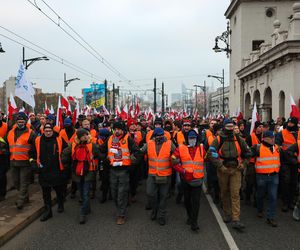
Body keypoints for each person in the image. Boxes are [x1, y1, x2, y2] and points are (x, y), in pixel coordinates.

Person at [207, 118, 251, 230]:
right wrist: (220, 166)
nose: (231, 129)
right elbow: (210, 154)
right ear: (224, 127)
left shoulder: (238, 138)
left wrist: (244, 164)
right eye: (228, 127)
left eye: (232, 126)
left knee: (235, 193)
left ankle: (236, 218)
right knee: (225, 192)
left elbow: (248, 152)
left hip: (236, 169)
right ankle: (227, 213)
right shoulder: (218, 139)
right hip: (223, 170)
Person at [100, 121, 140, 225]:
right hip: (113, 170)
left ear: (122, 130)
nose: (116, 131)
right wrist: (105, 158)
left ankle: (121, 215)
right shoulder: (110, 139)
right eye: (115, 129)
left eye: (118, 129)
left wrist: (131, 165)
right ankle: (120, 208)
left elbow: (137, 152)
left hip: (124, 170)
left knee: (121, 193)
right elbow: (101, 150)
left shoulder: (128, 139)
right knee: (114, 193)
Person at [31, 123, 69, 221]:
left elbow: (67, 150)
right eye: (46, 131)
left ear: (53, 131)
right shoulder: (38, 140)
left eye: (50, 131)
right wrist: (34, 163)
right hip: (43, 171)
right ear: (43, 131)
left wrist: (64, 160)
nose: (48, 133)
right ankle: (48, 211)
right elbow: (32, 153)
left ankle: (60, 203)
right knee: (46, 193)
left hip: (56, 170)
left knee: (59, 190)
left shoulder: (59, 139)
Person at [62, 128, 99, 224]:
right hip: (77, 172)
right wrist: (65, 163)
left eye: (87, 135)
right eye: (83, 135)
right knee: (82, 193)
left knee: (86, 193)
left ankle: (83, 213)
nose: (86, 136)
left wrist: (94, 157)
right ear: (79, 137)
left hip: (89, 171)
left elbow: (98, 153)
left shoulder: (92, 145)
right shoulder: (73, 145)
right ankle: (87, 208)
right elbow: (65, 154)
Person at [140, 127, 176, 226]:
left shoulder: (169, 143)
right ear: (154, 136)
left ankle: (161, 216)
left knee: (163, 196)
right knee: (151, 194)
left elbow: (176, 154)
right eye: (157, 135)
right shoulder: (149, 143)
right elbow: (140, 152)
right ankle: (154, 211)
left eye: (161, 135)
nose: (159, 137)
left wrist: (174, 159)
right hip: (152, 174)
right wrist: (132, 158)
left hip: (165, 175)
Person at [172, 130, 205, 232]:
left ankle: (194, 222)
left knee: (196, 202)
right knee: (187, 200)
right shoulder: (180, 148)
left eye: (194, 138)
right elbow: (173, 161)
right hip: (185, 180)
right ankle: (190, 216)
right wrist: (182, 170)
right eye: (190, 138)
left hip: (197, 180)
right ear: (187, 139)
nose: (192, 140)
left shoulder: (201, 148)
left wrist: (213, 154)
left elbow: (206, 158)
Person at [251, 131, 280, 227]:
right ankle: (259, 209)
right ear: (264, 138)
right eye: (271, 138)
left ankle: (270, 217)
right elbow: (247, 155)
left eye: (273, 138)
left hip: (274, 176)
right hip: (262, 177)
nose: (273, 139)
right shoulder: (257, 148)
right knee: (260, 195)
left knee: (273, 197)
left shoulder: (276, 148)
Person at [7, 113, 36, 209]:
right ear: (16, 122)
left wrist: (32, 159)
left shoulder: (31, 133)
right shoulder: (10, 132)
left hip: (25, 161)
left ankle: (20, 201)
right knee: (16, 182)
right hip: (13, 161)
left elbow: (35, 147)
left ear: (25, 121)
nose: (20, 123)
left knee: (24, 182)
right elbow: (8, 145)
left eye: (22, 121)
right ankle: (25, 197)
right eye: (19, 122)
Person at [275, 116, 300, 211]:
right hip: (285, 161)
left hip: (296, 162)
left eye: (291, 123)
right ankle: (285, 202)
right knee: (286, 181)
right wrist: (288, 155)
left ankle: (291, 201)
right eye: (288, 123)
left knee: (294, 182)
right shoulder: (282, 133)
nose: (289, 125)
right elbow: (278, 146)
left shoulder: (299, 133)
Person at [245, 121, 263, 206]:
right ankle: (248, 197)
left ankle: (256, 200)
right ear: (256, 128)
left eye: (262, 126)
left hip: (261, 163)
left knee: (258, 183)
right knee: (250, 182)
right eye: (259, 126)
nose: (261, 128)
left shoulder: (264, 137)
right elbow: (247, 150)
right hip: (251, 163)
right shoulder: (250, 137)